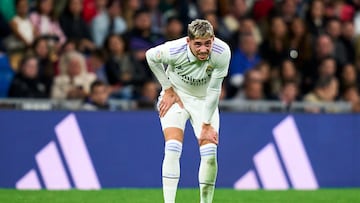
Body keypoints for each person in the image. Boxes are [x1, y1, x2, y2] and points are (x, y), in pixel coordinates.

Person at [145, 19, 231, 203]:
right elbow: (150, 56)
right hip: (177, 97)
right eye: (198, 44)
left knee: (210, 155)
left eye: (207, 43)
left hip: (204, 102)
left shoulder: (222, 52)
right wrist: (167, 88)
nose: (203, 49)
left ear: (213, 39)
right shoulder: (174, 50)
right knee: (173, 148)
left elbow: (215, 90)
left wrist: (207, 125)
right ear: (188, 41)